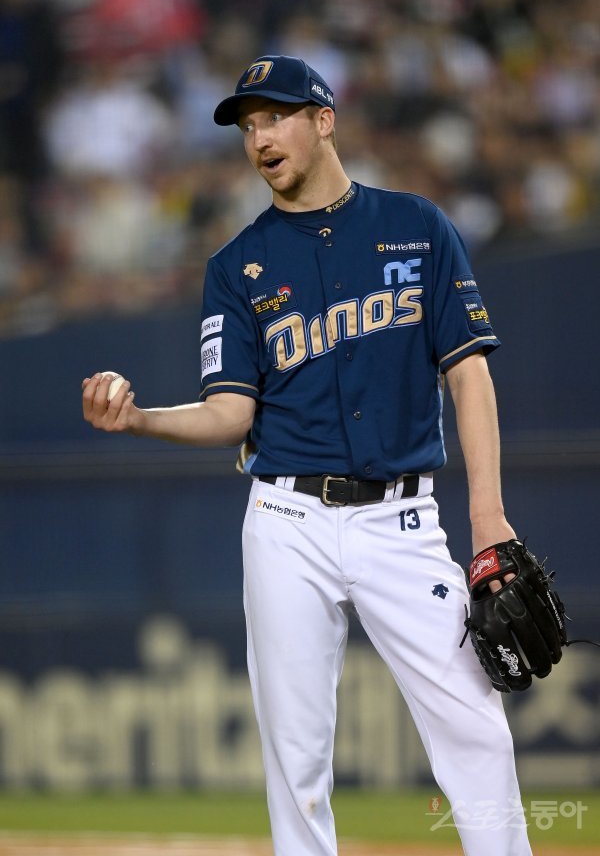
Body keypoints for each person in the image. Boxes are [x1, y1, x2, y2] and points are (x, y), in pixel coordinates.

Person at [82, 55, 532, 855]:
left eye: (275, 117)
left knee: (477, 728)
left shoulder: (418, 227)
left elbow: (469, 375)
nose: (259, 137)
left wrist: (489, 518)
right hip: (287, 521)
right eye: (247, 125)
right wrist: (141, 419)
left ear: (324, 121)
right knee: (296, 757)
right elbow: (230, 413)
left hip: (403, 521)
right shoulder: (237, 267)